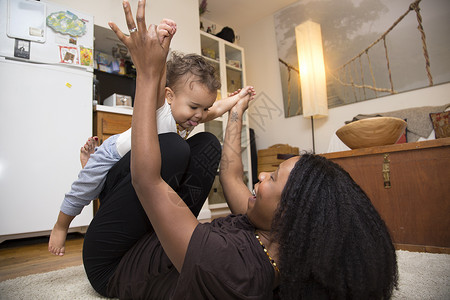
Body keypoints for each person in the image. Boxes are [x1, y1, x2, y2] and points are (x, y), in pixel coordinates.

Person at [83, 1, 398, 299]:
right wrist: (237, 112)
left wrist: (147, 73)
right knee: (206, 144)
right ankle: (109, 177)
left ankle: (101, 176)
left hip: (112, 263)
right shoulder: (274, 237)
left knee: (172, 148)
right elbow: (232, 176)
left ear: (290, 214)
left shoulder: (232, 267)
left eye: (272, 178)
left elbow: (146, 181)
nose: (261, 174)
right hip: (151, 239)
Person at [48, 20, 255, 256]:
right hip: (113, 154)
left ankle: (103, 179)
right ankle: (61, 225)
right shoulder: (161, 109)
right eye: (194, 107)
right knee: (84, 188)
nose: (199, 115)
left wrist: (238, 100)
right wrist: (161, 45)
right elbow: (155, 77)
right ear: (169, 96)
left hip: (137, 167)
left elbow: (216, 109)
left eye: (203, 108)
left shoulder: (190, 118)